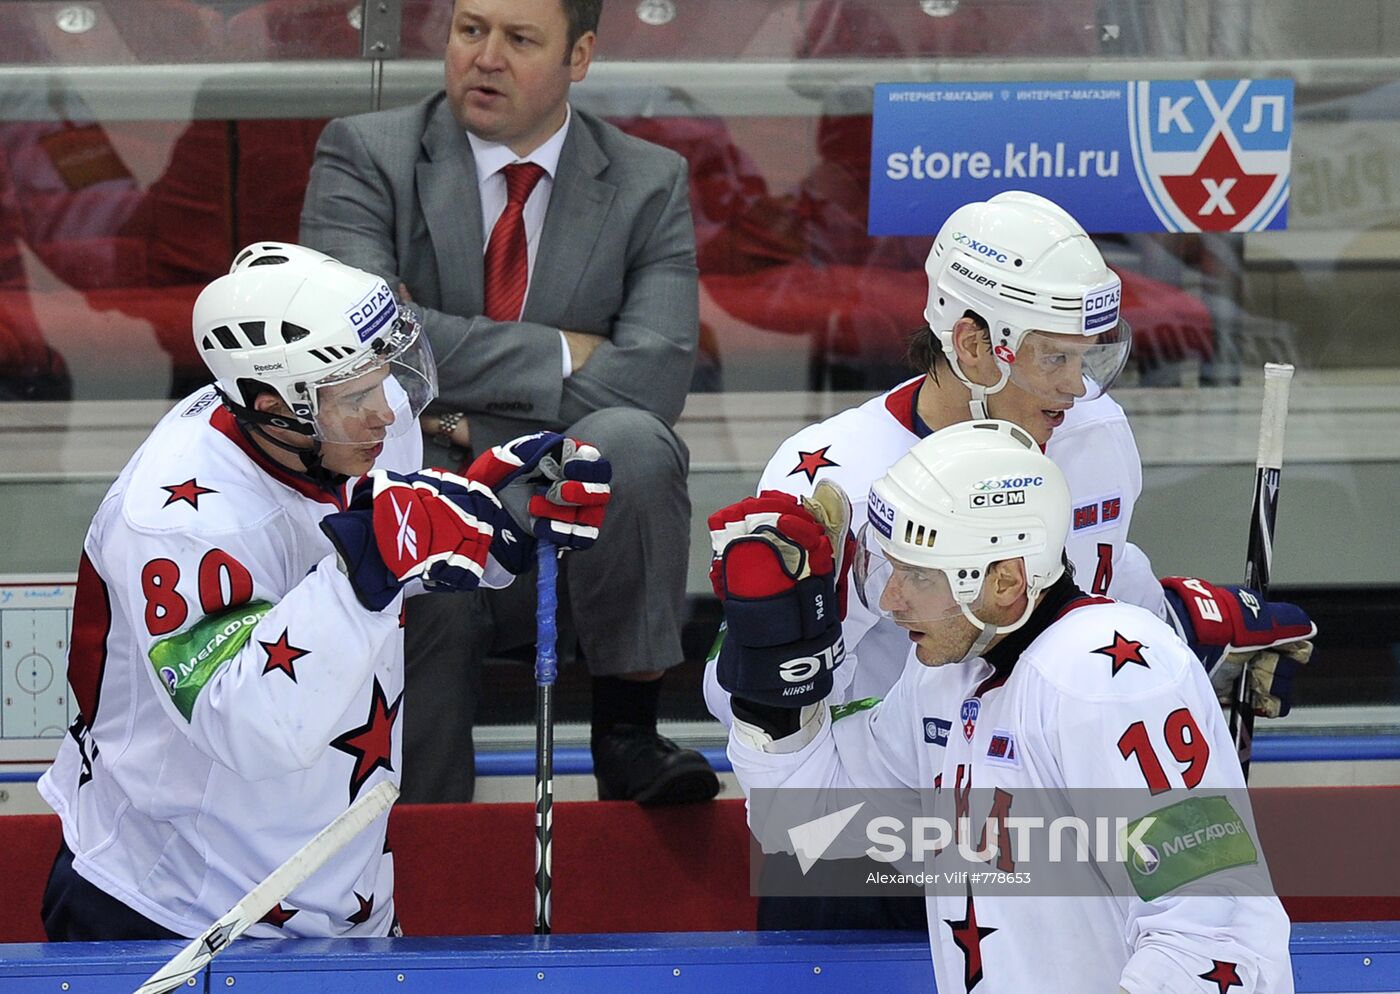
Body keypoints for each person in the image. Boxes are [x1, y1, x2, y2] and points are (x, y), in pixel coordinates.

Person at [703, 190, 1316, 929]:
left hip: (1036, 822)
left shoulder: (1093, 433)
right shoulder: (831, 475)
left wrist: (1180, 627)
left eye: (1088, 356)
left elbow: (1089, 580)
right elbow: (734, 691)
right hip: (867, 834)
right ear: (969, 344)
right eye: (1052, 356)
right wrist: (820, 627)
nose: (1075, 385)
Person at [37, 242, 612, 941]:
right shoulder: (176, 520)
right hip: (171, 904)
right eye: (357, 397)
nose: (389, 413)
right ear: (273, 406)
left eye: (388, 373)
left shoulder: (353, 427)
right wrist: (366, 565)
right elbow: (249, 726)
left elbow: (395, 551)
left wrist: (496, 530)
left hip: (340, 890)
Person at [300, 0, 715, 806]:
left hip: (555, 509)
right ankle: (418, 849)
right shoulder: (365, 154)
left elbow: (656, 381)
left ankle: (627, 736)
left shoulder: (647, 180)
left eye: (520, 39)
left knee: (629, 439)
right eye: (469, 30)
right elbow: (362, 347)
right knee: (434, 587)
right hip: (406, 496)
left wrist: (452, 401)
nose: (485, 57)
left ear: (580, 54)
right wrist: (564, 348)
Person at [712, 420, 1295, 994]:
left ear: (1007, 579)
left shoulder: (1113, 681)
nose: (890, 601)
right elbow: (809, 822)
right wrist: (773, 670)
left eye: (916, 575)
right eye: (889, 568)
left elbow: (1214, 935)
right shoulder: (944, 677)